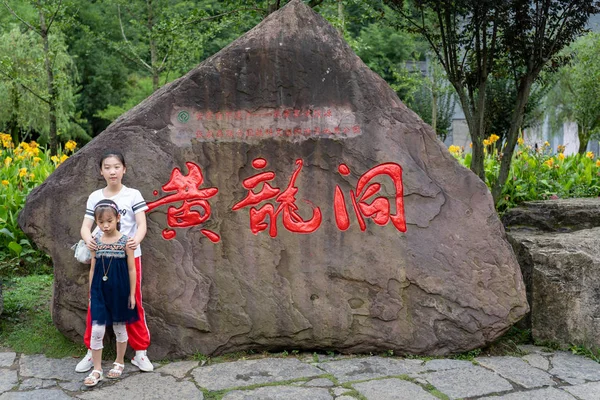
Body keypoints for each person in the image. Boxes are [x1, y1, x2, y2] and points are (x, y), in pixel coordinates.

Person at [77, 150, 154, 373]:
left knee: (133, 302)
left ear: (124, 169)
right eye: (108, 167)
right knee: (96, 303)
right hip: (101, 259)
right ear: (101, 171)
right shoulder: (94, 196)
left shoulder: (133, 195)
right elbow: (85, 226)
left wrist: (134, 243)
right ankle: (91, 353)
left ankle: (140, 352)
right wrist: (88, 240)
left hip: (128, 258)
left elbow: (141, 225)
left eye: (117, 166)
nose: (112, 171)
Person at [84, 200, 138, 387]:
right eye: (100, 222)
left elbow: (132, 269)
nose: (105, 225)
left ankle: (120, 361)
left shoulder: (126, 242)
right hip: (99, 290)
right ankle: (97, 369)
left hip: (120, 291)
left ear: (117, 218)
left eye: (109, 221)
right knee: (97, 329)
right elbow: (92, 268)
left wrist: (132, 294)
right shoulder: (95, 242)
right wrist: (91, 293)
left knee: (119, 327)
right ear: (96, 222)